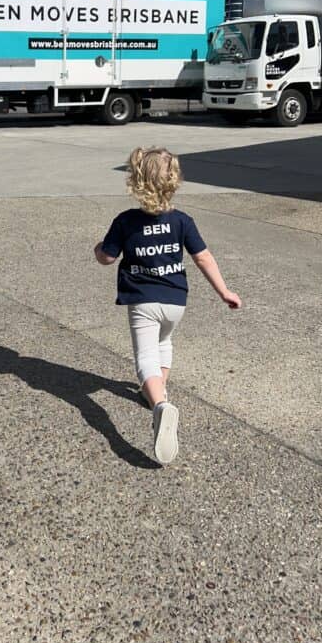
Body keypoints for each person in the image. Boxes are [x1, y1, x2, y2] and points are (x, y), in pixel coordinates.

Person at [94, 147, 240, 465]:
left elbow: (106, 257)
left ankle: (160, 405)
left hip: (142, 300)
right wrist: (224, 291)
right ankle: (158, 394)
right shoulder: (182, 221)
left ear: (136, 181)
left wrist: (98, 249)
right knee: (164, 343)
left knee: (145, 357)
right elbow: (203, 257)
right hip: (175, 301)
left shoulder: (126, 222)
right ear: (174, 182)